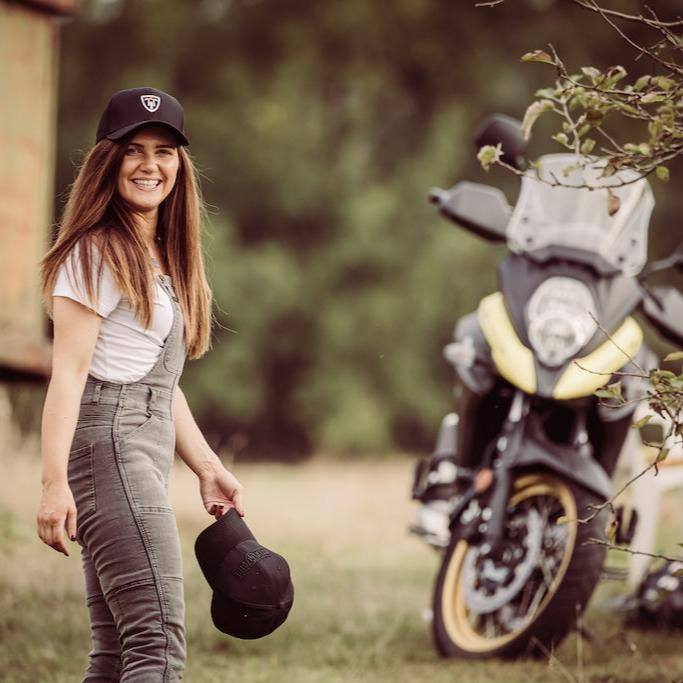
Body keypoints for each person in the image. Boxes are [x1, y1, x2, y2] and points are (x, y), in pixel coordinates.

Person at [36, 87, 244, 682]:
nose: (151, 165)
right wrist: (53, 484)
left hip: (141, 452)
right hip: (110, 449)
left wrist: (206, 465)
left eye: (165, 151)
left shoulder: (159, 256)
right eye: (134, 151)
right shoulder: (94, 252)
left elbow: (159, 379)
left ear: (181, 164)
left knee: (118, 651)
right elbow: (69, 374)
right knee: (157, 643)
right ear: (109, 160)